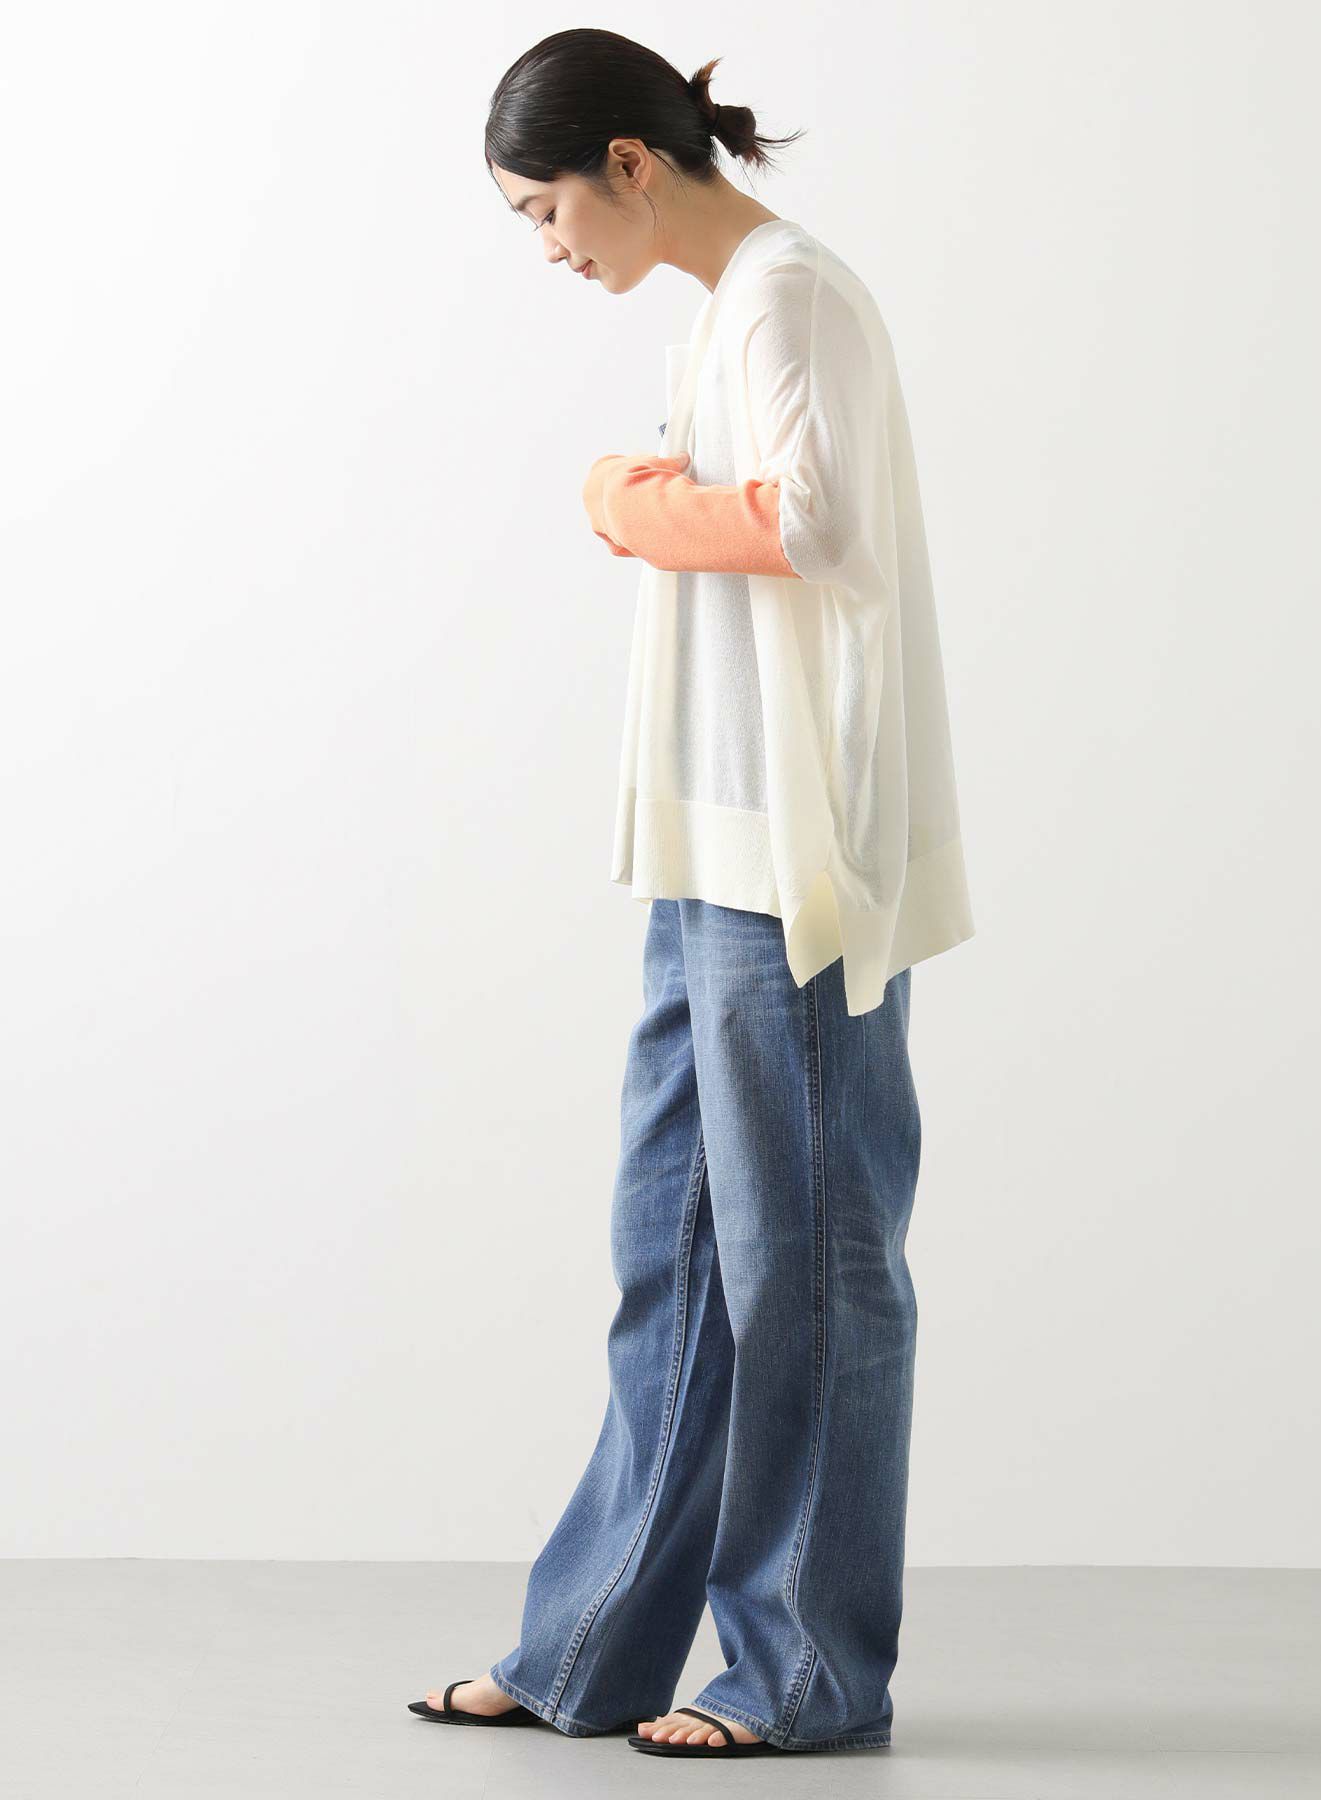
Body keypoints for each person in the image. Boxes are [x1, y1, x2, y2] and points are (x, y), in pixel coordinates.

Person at [410, 27, 975, 1759]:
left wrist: (623, 497)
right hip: (708, 844)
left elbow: (810, 524)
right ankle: (590, 1647)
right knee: (675, 1253)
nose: (548, 245)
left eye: (545, 209)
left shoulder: (791, 293)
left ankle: (804, 1675)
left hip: (791, 856)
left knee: (808, 1265)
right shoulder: (730, 310)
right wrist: (650, 495)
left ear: (629, 165)